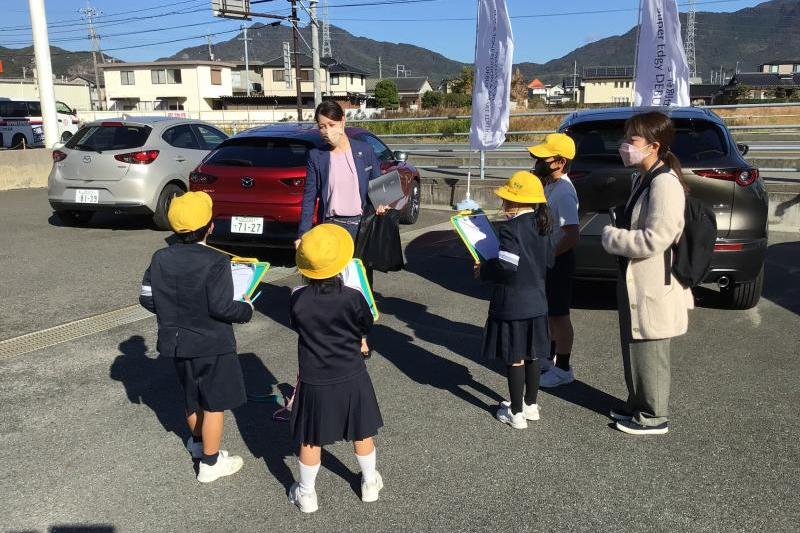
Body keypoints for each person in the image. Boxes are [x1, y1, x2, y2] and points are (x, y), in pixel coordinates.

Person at [139, 191, 254, 482]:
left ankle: (199, 445)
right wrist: (246, 309)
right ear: (210, 226)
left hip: (176, 342)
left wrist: (167, 309)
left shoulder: (160, 257)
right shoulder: (215, 261)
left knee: (192, 398)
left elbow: (146, 297)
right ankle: (211, 463)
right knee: (215, 403)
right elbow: (222, 306)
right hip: (212, 342)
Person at [601, 111, 693, 436]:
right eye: (625, 138)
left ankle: (654, 416)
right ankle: (636, 403)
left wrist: (612, 237)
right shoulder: (643, 177)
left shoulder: (665, 184)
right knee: (633, 343)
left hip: (653, 281)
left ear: (653, 146)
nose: (625, 145)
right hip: (634, 279)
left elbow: (656, 239)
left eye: (632, 139)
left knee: (650, 346)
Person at [288, 224, 384, 513]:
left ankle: (306, 494)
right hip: (351, 372)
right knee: (361, 431)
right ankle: (369, 483)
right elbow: (365, 324)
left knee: (311, 436)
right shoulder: (353, 296)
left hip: (315, 376)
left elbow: (297, 325)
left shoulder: (297, 297)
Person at [478, 171, 553, 430]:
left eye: (507, 199)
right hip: (537, 300)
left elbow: (507, 266)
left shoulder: (511, 228)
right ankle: (531, 405)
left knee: (515, 357)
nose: (503, 205)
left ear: (516, 202)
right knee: (533, 355)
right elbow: (550, 260)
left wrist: (484, 269)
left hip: (512, 304)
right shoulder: (543, 224)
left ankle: (516, 412)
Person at [296, 101, 388, 248]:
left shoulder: (365, 150)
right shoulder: (316, 156)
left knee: (359, 271)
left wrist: (382, 203)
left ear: (343, 121)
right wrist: (303, 234)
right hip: (330, 228)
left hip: (361, 226)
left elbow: (377, 186)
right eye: (322, 127)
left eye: (331, 125)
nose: (327, 131)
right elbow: (309, 199)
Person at [528, 133, 580, 388]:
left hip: (558, 259)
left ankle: (563, 367)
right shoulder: (549, 185)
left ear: (560, 162)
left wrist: (550, 257)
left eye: (543, 157)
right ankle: (548, 358)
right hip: (548, 258)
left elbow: (572, 233)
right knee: (548, 313)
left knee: (559, 315)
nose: (537, 160)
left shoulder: (565, 191)